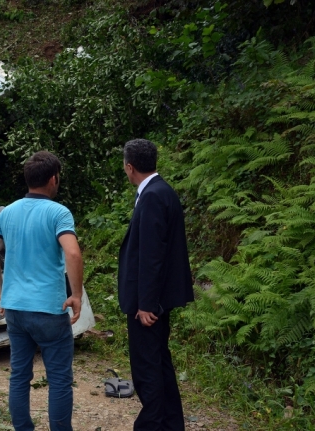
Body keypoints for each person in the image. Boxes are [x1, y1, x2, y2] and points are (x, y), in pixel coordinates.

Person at [0, 151, 84, 431]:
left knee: (19, 376)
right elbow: (73, 254)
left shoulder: (9, 212)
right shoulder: (58, 212)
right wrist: (76, 295)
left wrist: (1, 292)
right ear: (53, 179)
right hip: (48, 310)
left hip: (15, 309)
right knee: (60, 379)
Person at [118, 138, 194, 431]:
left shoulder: (151, 196)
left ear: (129, 166)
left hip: (150, 302)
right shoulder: (163, 191)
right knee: (160, 362)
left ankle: (152, 425)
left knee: (147, 367)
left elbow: (151, 254)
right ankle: (172, 423)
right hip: (161, 297)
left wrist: (146, 304)